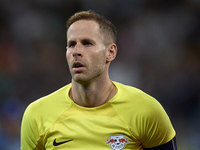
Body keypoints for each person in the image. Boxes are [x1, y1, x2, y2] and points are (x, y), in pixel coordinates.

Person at [21, 10, 177, 150]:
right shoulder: (37, 115)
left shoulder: (147, 111)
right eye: (71, 44)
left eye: (87, 43)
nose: (76, 51)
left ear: (110, 52)